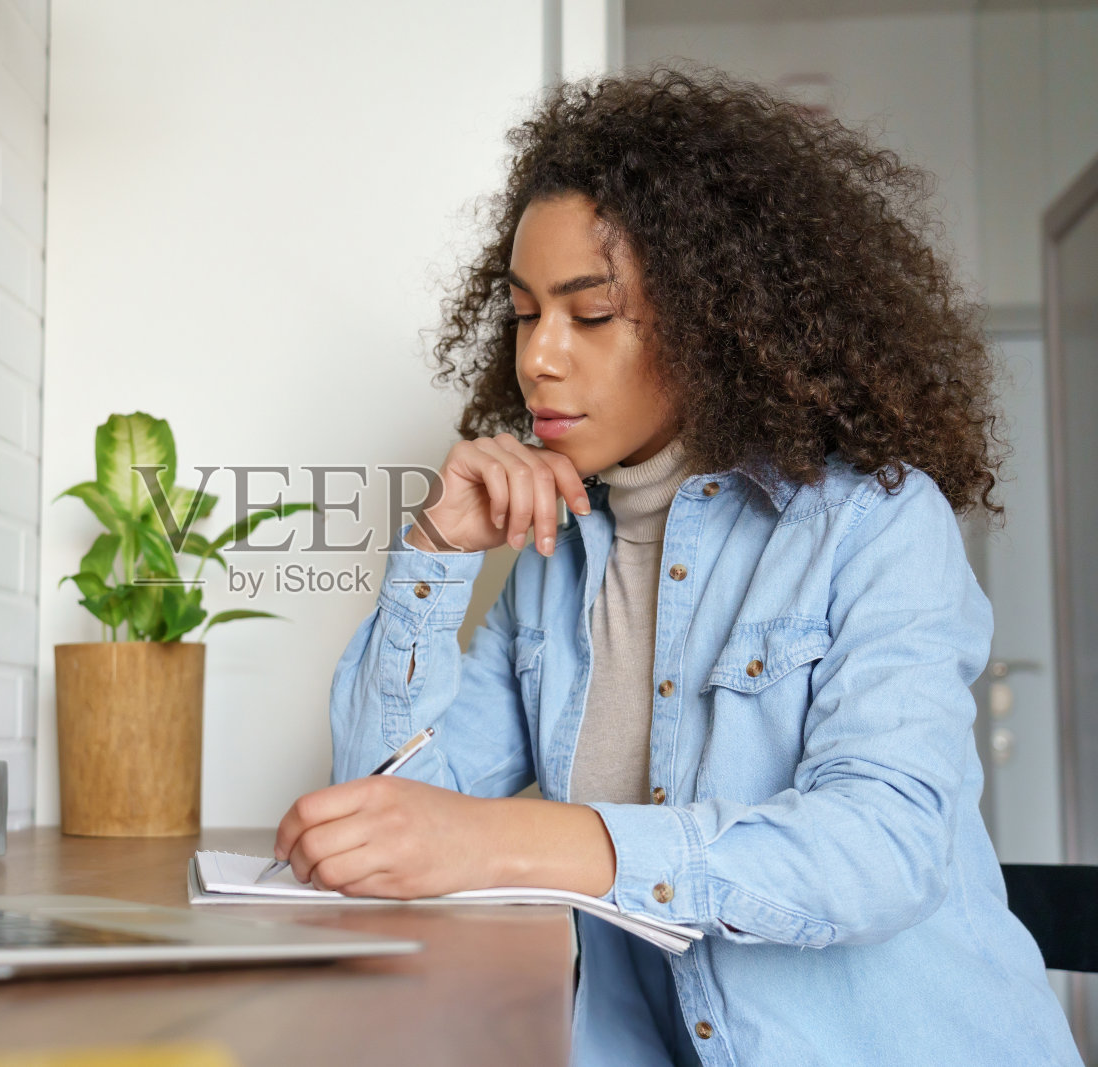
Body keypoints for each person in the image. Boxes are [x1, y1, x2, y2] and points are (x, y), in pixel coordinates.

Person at [269, 66, 1081, 1065]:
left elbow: (881, 848)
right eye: (524, 314)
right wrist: (432, 556)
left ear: (716, 320)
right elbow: (380, 813)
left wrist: (513, 839)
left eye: (590, 314)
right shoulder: (557, 555)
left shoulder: (871, 520)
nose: (538, 358)